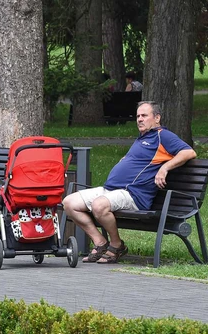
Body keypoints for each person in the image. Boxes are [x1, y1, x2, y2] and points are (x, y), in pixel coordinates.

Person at [63, 101, 196, 264]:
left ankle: (116, 245)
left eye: (144, 115)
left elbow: (189, 152)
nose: (140, 119)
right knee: (69, 203)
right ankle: (100, 243)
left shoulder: (163, 136)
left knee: (99, 205)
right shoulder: (142, 138)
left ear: (157, 118)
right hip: (111, 190)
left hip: (133, 194)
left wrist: (164, 168)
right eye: (138, 116)